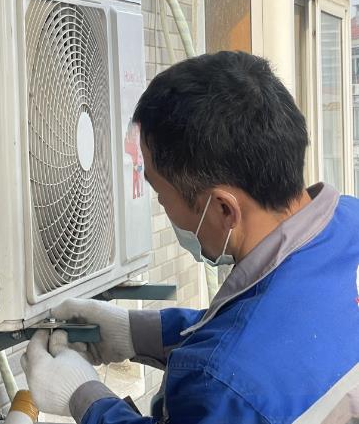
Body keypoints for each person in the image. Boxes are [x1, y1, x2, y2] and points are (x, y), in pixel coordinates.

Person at [21, 51, 359, 424]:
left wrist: (84, 398)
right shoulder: (347, 222)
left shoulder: (223, 388)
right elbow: (287, 337)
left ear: (224, 209)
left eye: (159, 192)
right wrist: (139, 333)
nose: (161, 205)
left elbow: (240, 368)